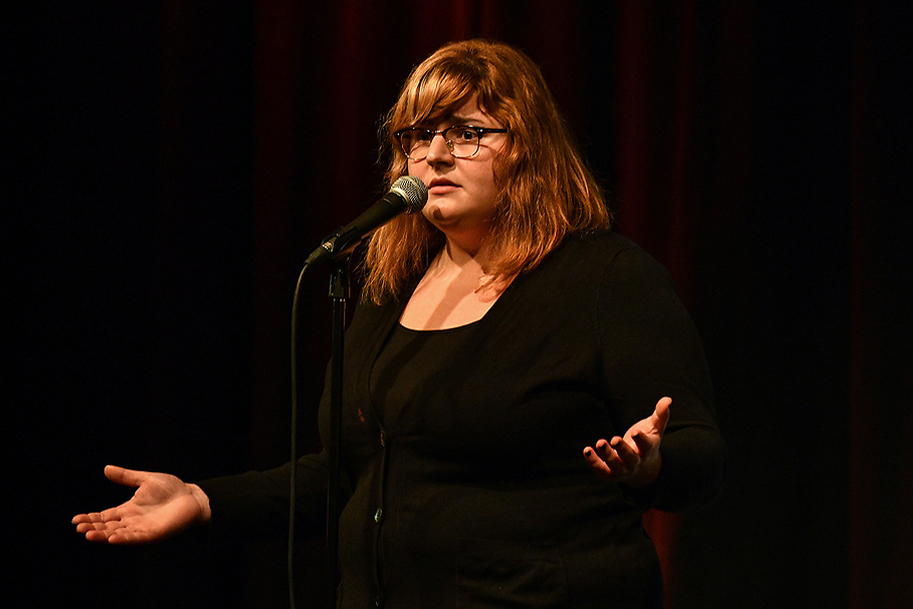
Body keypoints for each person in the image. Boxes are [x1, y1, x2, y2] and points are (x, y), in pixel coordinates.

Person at [73, 39, 726, 608]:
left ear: (528, 149)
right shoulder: (394, 288)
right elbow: (350, 473)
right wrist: (203, 500)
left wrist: (652, 464)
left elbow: (697, 448)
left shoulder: (605, 278)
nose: (435, 154)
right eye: (418, 135)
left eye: (466, 132)